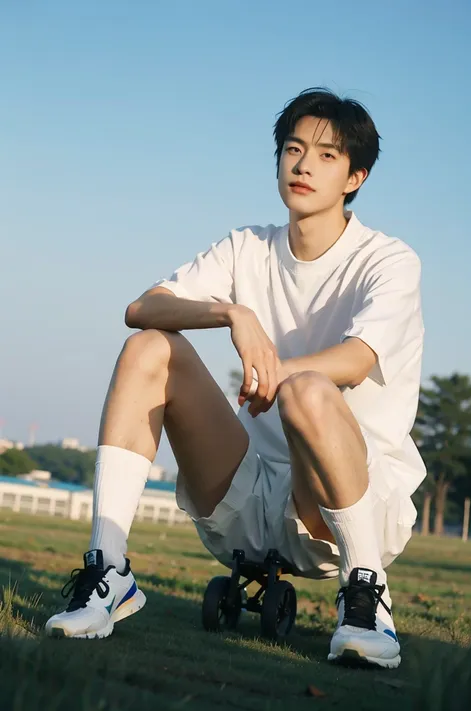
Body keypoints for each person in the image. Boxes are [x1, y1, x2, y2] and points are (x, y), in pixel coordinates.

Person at [45, 87, 425, 669]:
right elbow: (143, 308)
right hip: (247, 494)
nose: (303, 165)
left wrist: (279, 373)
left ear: (356, 177)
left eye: (326, 156)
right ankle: (109, 573)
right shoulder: (246, 247)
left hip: (342, 503)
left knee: (308, 391)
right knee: (149, 348)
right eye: (293, 149)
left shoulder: (389, 260)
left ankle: (367, 595)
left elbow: (355, 359)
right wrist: (231, 313)